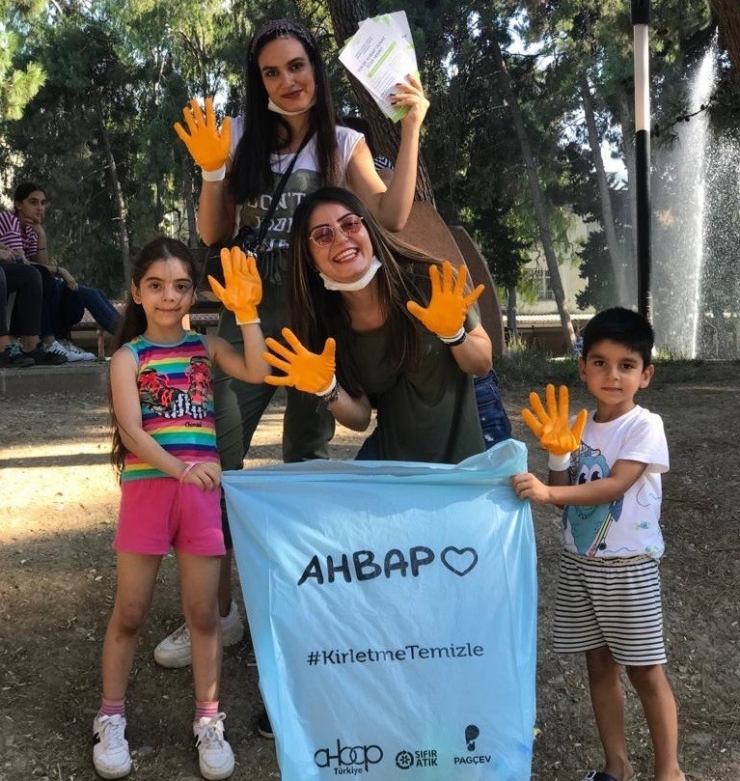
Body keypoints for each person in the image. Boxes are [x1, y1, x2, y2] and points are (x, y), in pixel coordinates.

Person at [158, 16, 429, 724]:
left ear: (316, 67)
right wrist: (215, 170)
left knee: (307, 462)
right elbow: (215, 233)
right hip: (250, 312)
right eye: (272, 72)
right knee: (215, 458)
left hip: (315, 323)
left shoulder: (343, 143)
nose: (287, 80)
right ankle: (215, 613)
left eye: (297, 66)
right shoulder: (242, 140)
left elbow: (393, 215)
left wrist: (413, 125)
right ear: (260, 81)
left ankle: (299, 608)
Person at [93, 237, 269, 780]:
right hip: (152, 491)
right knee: (130, 613)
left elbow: (259, 372)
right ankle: (110, 716)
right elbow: (133, 431)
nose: (169, 297)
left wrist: (248, 312)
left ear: (193, 291)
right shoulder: (128, 357)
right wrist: (184, 471)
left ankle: (209, 720)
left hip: (199, 497)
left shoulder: (207, 346)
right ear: (137, 291)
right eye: (156, 285)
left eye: (180, 286)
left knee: (203, 616)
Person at [510, 307, 685, 781]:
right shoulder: (578, 423)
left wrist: (550, 491)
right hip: (580, 564)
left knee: (645, 671)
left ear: (645, 375)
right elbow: (563, 491)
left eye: (626, 365)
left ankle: (669, 770)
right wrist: (556, 452)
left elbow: (613, 486)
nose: (613, 375)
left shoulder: (645, 426)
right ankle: (617, 767)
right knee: (599, 667)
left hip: (628, 568)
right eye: (601, 362)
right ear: (583, 367)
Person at [261, 185, 492, 464]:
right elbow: (359, 419)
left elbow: (482, 364)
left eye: (350, 224)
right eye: (323, 235)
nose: (341, 238)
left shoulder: (429, 281)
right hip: (400, 453)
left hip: (474, 431)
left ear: (368, 229)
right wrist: (327, 389)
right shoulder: (324, 324)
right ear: (309, 258)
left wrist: (455, 335)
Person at [9, 182, 121, 359]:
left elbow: (41, 265)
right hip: (18, 290)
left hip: (40, 283)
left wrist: (41, 235)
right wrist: (61, 270)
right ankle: (131, 341)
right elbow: (26, 267)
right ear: (18, 204)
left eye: (43, 203)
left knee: (95, 293)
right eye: (33, 202)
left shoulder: (31, 230)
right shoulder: (10, 222)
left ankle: (132, 338)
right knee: (90, 296)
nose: (39, 208)